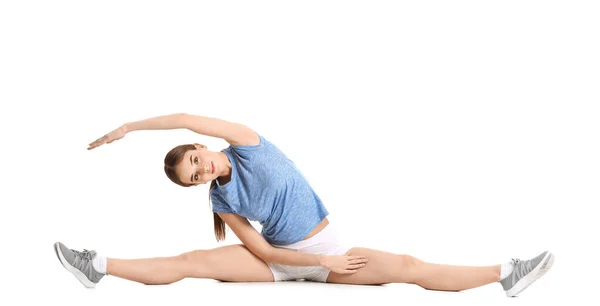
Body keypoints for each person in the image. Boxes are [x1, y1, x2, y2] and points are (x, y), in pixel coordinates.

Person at [54, 113, 554, 297]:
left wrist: (130, 129)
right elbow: (267, 255)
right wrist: (318, 263)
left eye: (196, 160)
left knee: (408, 267)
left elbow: (186, 114)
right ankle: (95, 265)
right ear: (193, 186)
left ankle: (506, 273)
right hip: (288, 262)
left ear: (202, 148)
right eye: (192, 176)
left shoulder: (247, 142)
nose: (200, 169)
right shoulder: (222, 198)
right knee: (192, 264)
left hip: (325, 250)